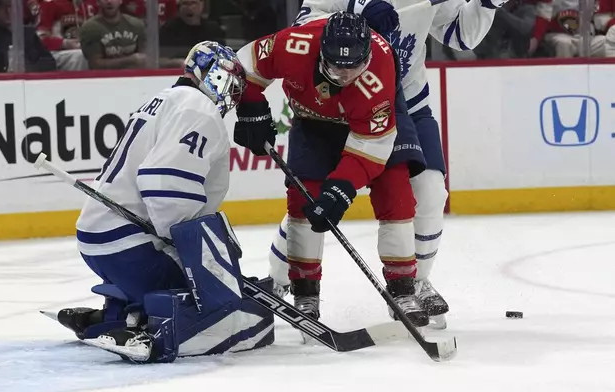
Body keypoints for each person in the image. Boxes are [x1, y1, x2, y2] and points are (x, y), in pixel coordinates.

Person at [269, 0, 507, 330]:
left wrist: (487, 4)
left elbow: (462, 35)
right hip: (337, 105)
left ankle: (414, 285)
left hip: (403, 104)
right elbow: (300, 34)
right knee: (312, 197)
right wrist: (357, 21)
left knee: (430, 191)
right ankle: (283, 278)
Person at [52, 41, 275, 364]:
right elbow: (164, 185)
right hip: (133, 250)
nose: (235, 95)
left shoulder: (163, 99)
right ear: (216, 76)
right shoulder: (199, 109)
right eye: (233, 84)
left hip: (98, 243)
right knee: (221, 301)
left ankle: (118, 315)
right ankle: (155, 331)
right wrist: (187, 251)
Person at [234, 12, 429, 328]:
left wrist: (342, 187)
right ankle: (305, 292)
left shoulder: (379, 73)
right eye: (335, 66)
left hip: (375, 127)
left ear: (365, 57)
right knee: (303, 202)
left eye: (352, 67)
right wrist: (251, 106)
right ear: (321, 50)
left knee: (396, 195)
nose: (342, 75)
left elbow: (371, 147)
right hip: (313, 125)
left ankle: (403, 290)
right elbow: (245, 64)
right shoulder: (295, 45)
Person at [79, 0, 146, 70]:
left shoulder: (137, 25)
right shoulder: (90, 28)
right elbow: (96, 65)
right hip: (104, 78)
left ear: (120, 1)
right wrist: (131, 60)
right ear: (98, 2)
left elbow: (144, 59)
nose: (109, 2)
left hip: (134, 77)